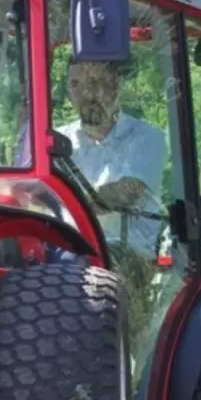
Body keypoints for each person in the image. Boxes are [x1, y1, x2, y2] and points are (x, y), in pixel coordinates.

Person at [55, 59, 166, 257]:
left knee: (75, 261)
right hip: (67, 248)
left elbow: (123, 194)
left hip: (129, 256)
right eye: (75, 84)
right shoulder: (57, 140)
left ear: (116, 84)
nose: (85, 94)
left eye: (94, 82)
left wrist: (58, 200)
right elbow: (28, 193)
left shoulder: (146, 138)